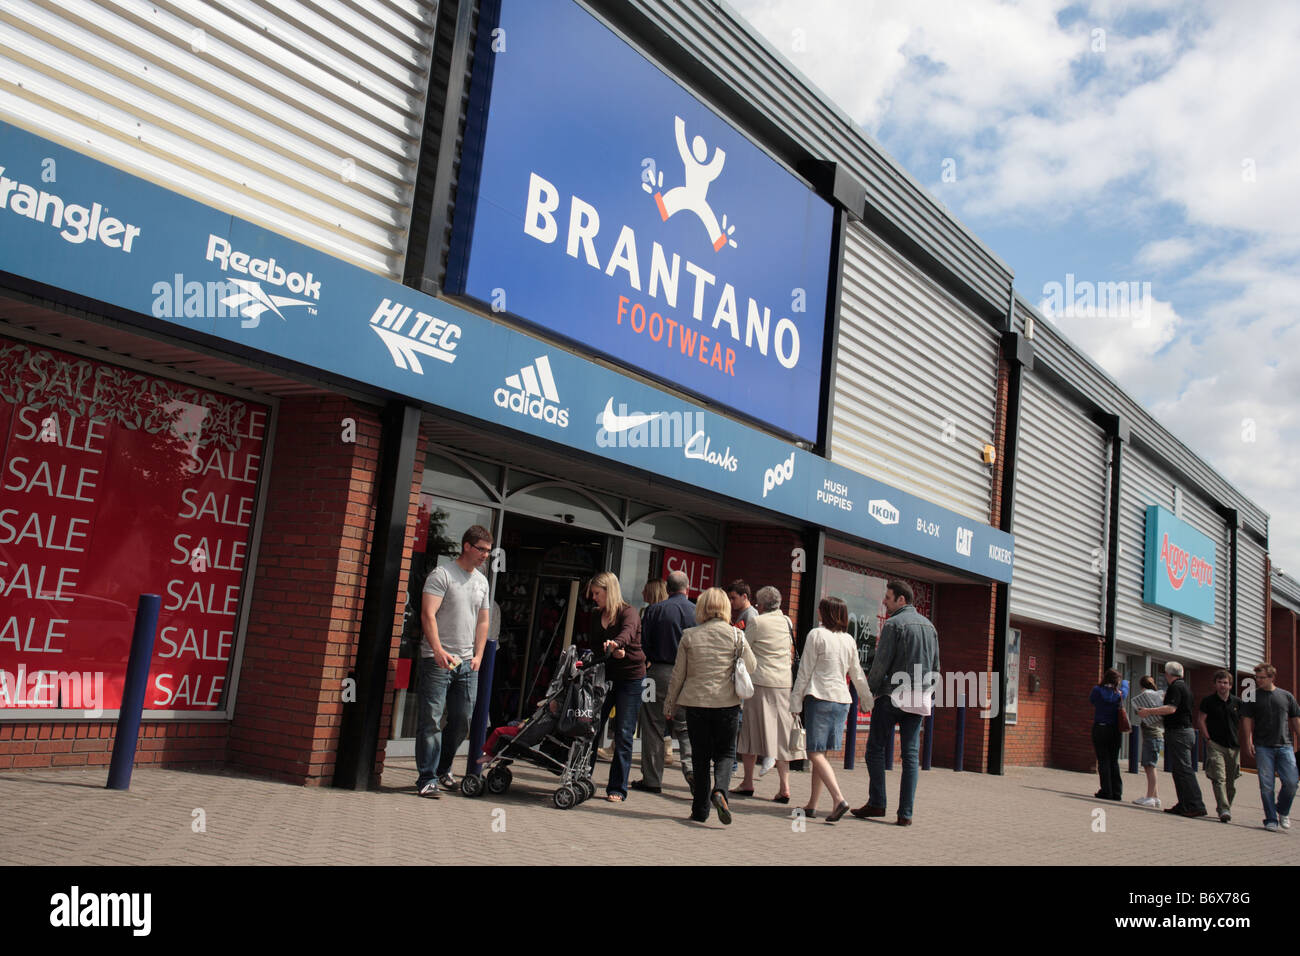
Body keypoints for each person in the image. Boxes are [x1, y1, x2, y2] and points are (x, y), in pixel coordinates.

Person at [664, 587, 757, 825]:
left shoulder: (690, 635)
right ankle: (721, 792)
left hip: (695, 704)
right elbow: (752, 666)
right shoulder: (737, 635)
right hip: (727, 704)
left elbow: (678, 675)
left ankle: (700, 809)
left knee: (701, 757)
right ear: (726, 607)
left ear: (702, 607)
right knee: (725, 753)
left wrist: (669, 704)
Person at [853, 580, 940, 826]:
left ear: (901, 600)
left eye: (888, 597)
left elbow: (881, 663)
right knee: (911, 756)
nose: (884, 601)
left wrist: (868, 695)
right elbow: (936, 667)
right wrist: (928, 693)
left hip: (893, 695)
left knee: (875, 749)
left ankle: (878, 803)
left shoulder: (893, 624)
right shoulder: (930, 627)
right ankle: (906, 814)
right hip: (919, 697)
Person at [415, 524, 493, 798]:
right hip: (438, 660)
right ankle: (427, 778)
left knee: (463, 720)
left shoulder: (482, 581)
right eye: (481, 549)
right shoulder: (442, 574)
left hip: (467, 662)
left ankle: (442, 768)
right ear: (467, 547)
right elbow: (427, 614)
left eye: (488, 551)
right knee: (432, 720)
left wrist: (479, 655)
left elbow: (483, 621)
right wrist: (436, 650)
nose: (485, 555)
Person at [787, 596, 869, 822]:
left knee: (813, 752)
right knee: (820, 753)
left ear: (827, 613)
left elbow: (805, 671)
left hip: (820, 697)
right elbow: (857, 673)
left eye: (821, 610)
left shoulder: (816, 635)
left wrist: (795, 702)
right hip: (842, 700)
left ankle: (838, 799)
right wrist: (866, 698)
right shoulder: (849, 640)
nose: (818, 614)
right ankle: (812, 804)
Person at [734, 586, 802, 801]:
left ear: (761, 605)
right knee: (782, 735)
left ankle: (747, 782)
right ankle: (785, 787)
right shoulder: (787, 622)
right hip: (783, 684)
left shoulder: (757, 622)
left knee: (751, 733)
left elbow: (746, 649)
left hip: (760, 682)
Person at [632, 571, 694, 794]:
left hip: (657, 673)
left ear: (667, 589)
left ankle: (652, 779)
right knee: (686, 728)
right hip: (688, 676)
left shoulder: (654, 610)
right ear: (687, 588)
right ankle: (692, 770)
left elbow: (643, 644)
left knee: (652, 723)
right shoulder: (697, 612)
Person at [587, 571, 646, 802]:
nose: (593, 598)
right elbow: (592, 644)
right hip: (604, 676)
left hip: (630, 678)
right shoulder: (596, 615)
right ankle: (583, 776)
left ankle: (617, 788)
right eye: (592, 593)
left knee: (623, 732)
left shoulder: (628, 612)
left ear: (609, 592)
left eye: (597, 593)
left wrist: (617, 645)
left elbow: (628, 633)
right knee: (591, 728)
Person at [1137, 661, 1207, 817]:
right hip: (1182, 731)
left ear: (1168, 674)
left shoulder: (1176, 687)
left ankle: (1195, 804)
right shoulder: (1184, 687)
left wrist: (1149, 711)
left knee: (1184, 770)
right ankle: (1184, 804)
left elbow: (1171, 708)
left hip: (1179, 732)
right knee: (1179, 770)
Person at [1240, 662, 1300, 832]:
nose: (1258, 680)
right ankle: (1271, 819)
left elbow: (1295, 719)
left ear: (1272, 677)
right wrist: (1248, 741)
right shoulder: (1252, 696)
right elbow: (1246, 720)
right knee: (1266, 785)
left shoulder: (1286, 696)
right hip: (1263, 746)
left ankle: (1282, 810)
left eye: (1262, 678)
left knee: (1291, 782)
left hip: (1285, 746)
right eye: (1256, 678)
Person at [1196, 669, 1242, 822]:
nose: (1223, 685)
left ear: (1230, 685)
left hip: (1233, 747)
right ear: (1215, 684)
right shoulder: (1208, 701)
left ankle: (1226, 806)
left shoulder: (1237, 703)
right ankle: (1223, 809)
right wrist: (1207, 738)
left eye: (1226, 683)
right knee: (1219, 778)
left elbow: (1245, 722)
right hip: (1215, 744)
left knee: (1231, 781)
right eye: (1220, 682)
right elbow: (1201, 719)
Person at [1089, 668, 1128, 801]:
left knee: (1103, 760)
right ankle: (1117, 792)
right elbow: (1126, 687)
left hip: (1100, 728)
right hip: (1114, 730)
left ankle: (1106, 790)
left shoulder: (1097, 690)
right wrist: (1123, 682)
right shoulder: (1119, 694)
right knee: (1113, 761)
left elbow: (1092, 701)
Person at [1130, 675, 1165, 808]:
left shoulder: (1147, 695)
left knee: (1149, 766)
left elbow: (1139, 712)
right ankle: (1155, 797)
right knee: (1151, 765)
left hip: (1152, 735)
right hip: (1157, 735)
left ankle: (1150, 796)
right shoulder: (1158, 695)